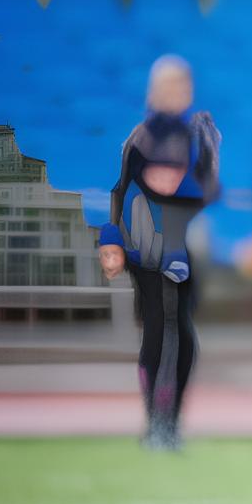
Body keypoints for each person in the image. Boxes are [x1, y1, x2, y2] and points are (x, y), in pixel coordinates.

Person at [101, 55, 220, 450]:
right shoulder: (142, 137)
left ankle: (172, 421)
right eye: (166, 86)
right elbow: (120, 192)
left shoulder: (195, 134)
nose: (174, 94)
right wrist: (113, 242)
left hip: (183, 246)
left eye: (180, 86)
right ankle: (155, 421)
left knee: (182, 333)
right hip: (149, 250)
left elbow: (208, 191)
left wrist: (200, 167)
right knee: (159, 329)